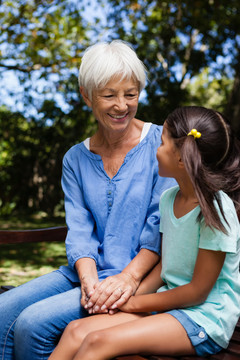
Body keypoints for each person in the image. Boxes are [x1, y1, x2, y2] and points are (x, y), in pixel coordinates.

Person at [0, 40, 176, 360]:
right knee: (2, 311)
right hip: (85, 273)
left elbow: (159, 225)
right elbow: (79, 228)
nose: (121, 105)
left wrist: (128, 277)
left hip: (139, 277)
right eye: (109, 95)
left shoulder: (163, 145)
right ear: (87, 95)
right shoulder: (75, 159)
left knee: (31, 325)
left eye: (131, 94)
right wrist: (89, 281)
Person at [48, 106, 240, 360]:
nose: (154, 150)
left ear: (182, 158)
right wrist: (122, 297)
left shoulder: (216, 209)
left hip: (204, 317)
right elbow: (166, 268)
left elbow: (197, 292)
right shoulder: (169, 198)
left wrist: (132, 303)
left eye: (161, 144)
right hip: (168, 305)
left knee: (97, 342)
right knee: (74, 332)